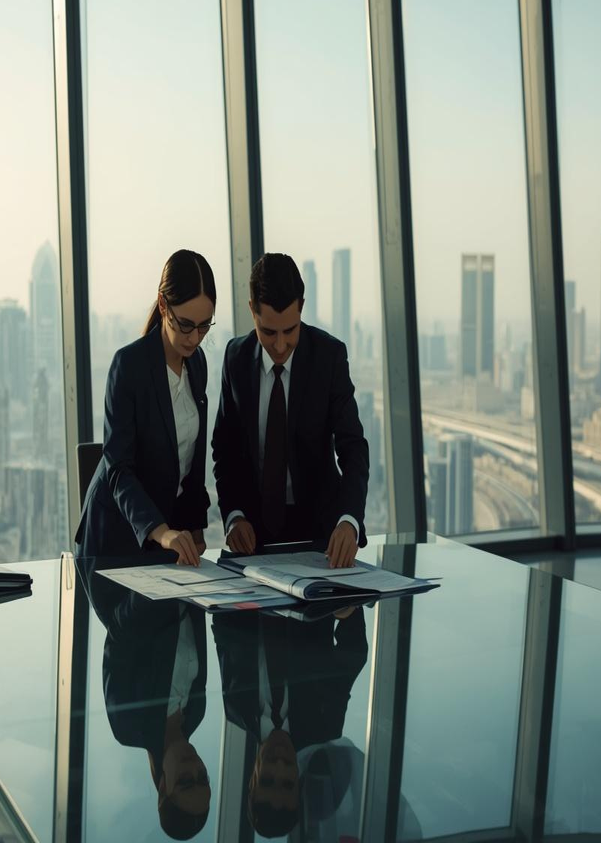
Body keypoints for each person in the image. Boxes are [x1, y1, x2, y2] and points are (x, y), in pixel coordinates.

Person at [211, 253, 369, 568]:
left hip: (321, 537)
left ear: (302, 307)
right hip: (252, 540)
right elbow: (224, 451)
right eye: (269, 332)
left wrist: (349, 520)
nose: (281, 345)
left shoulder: (329, 357)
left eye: (290, 330)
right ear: (251, 311)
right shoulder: (236, 359)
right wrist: (233, 515)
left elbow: (353, 448)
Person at [76, 250, 216, 564]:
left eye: (205, 326)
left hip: (167, 542)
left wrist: (195, 526)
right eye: (185, 325)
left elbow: (191, 458)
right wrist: (162, 531)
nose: (194, 338)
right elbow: (119, 470)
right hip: (115, 540)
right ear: (163, 305)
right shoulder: (129, 366)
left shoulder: (198, 364)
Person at [212, 609, 369, 838]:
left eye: (267, 780)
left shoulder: (235, 708)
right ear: (298, 782)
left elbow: (223, 629)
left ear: (251, 782)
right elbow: (353, 653)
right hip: (307, 584)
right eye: (286, 783)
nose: (278, 765)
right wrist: (348, 613)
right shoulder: (326, 723)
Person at [87, 566, 212, 840]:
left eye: (185, 781)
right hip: (183, 569)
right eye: (203, 778)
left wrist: (158, 586)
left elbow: (117, 637)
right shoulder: (197, 713)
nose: (195, 767)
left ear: (163, 790)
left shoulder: (128, 726)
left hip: (132, 567)